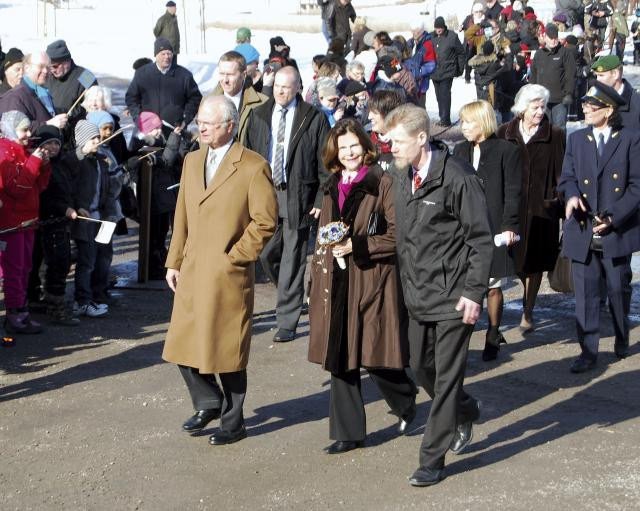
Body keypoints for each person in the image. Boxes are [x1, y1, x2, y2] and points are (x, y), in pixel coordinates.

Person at [386, 104, 493, 487]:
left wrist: (473, 292)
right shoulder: (401, 175)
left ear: (420, 138)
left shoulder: (458, 178)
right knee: (422, 368)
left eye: (396, 141)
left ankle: (432, 459)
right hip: (417, 295)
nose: (390, 147)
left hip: (453, 298)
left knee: (446, 378)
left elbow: (481, 240)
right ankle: (464, 410)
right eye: (388, 140)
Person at [162, 95, 277, 444]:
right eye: (200, 121)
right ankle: (208, 400)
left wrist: (236, 256)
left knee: (227, 351)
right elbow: (182, 214)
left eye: (210, 123)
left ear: (230, 126)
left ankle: (233, 421)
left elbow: (265, 221)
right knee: (181, 344)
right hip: (193, 268)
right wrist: (173, 260)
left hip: (228, 273)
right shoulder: (192, 160)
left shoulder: (252, 165)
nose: (202, 127)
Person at [308, 118, 417, 454]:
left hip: (372, 279)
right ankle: (349, 433)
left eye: (354, 145)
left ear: (366, 147)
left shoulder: (383, 182)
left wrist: (357, 245)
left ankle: (405, 399)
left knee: (374, 355)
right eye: (343, 148)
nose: (349, 152)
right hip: (336, 281)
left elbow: (397, 234)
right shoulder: (331, 185)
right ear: (334, 152)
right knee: (340, 354)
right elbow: (325, 235)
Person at [558, 81, 640, 372]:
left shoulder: (629, 138)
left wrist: (613, 217)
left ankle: (620, 334)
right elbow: (566, 177)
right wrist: (569, 196)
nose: (586, 111)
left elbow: (636, 186)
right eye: (585, 106)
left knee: (617, 288)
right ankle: (588, 351)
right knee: (586, 293)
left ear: (609, 110)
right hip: (582, 229)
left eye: (592, 107)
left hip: (616, 229)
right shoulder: (577, 139)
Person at [245, 67, 330, 343]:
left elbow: (326, 160)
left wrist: (320, 196)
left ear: (297, 88)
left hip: (298, 194)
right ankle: (290, 290)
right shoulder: (259, 116)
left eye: (287, 87)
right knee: (266, 253)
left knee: (293, 256)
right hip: (265, 193)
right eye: (277, 86)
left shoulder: (313, 118)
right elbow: (247, 156)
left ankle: (287, 320)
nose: (281, 92)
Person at [454, 100, 522, 361]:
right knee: (467, 285)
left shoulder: (506, 150)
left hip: (494, 227)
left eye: (468, 122)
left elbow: (513, 192)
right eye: (462, 122)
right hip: (465, 229)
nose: (463, 127)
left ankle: (493, 332)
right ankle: (463, 338)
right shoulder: (459, 151)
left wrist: (510, 227)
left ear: (482, 122)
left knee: (492, 285)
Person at [497, 84, 565, 332]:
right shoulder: (505, 132)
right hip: (511, 207)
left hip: (540, 209)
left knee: (535, 263)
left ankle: (528, 310)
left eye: (543, 106)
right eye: (535, 107)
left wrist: (557, 203)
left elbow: (561, 174)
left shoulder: (555, 134)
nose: (540, 111)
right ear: (522, 108)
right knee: (513, 261)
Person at [0, 111, 51, 334]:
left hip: (28, 220)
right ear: (11, 130)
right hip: (11, 223)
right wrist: (36, 161)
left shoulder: (22, 151)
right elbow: (17, 188)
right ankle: (15, 314)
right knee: (14, 270)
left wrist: (44, 166)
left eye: (28, 129)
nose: (28, 134)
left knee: (25, 269)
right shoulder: (5, 152)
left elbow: (38, 186)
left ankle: (22, 311)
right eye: (23, 130)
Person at [69, 120, 118, 317]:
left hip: (101, 216)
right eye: (93, 138)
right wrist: (77, 207)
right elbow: (68, 189)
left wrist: (111, 213)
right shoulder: (75, 161)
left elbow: (106, 190)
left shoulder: (99, 161)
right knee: (86, 261)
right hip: (85, 218)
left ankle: (96, 295)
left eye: (97, 137)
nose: (97, 141)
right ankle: (82, 301)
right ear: (82, 140)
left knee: (102, 257)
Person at [36, 125, 80, 326]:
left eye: (56, 143)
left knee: (61, 262)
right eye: (48, 143)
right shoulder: (42, 167)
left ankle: (53, 301)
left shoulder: (62, 164)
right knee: (56, 263)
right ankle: (55, 306)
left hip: (62, 220)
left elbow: (68, 191)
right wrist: (65, 209)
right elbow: (46, 197)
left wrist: (77, 207)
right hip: (49, 220)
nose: (53, 147)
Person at [125, 38, 201, 128]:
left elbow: (195, 98)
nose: (166, 57)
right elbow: (131, 98)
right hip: (149, 129)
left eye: (169, 53)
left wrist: (185, 119)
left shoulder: (184, 75)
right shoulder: (143, 74)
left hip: (175, 129)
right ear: (156, 55)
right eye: (163, 54)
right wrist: (139, 119)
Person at [0, 52, 68, 132]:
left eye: (48, 67)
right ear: (27, 68)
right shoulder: (14, 97)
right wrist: (48, 124)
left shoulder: (43, 92)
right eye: (41, 66)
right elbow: (15, 130)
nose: (45, 71)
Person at [211, 51, 268, 145]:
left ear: (244, 75)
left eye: (230, 74)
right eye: (222, 74)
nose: (225, 80)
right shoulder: (207, 102)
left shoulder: (260, 104)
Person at [529, 23, 576, 129]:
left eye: (555, 38)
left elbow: (570, 74)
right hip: (542, 100)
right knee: (543, 128)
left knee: (559, 128)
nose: (554, 40)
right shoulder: (539, 54)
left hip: (559, 99)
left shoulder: (565, 53)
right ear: (545, 37)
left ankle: (560, 146)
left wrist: (569, 93)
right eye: (551, 38)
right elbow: (533, 75)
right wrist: (531, 94)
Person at [45, 39, 97, 117]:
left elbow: (94, 106)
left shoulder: (86, 76)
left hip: (75, 125)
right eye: (49, 67)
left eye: (55, 66)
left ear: (66, 61)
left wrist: (67, 114)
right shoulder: (47, 76)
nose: (52, 70)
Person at [431, 17, 465, 127]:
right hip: (434, 72)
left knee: (445, 95)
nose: (438, 30)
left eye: (440, 28)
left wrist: (460, 69)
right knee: (438, 96)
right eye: (436, 28)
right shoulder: (431, 37)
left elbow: (461, 53)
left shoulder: (452, 36)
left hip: (448, 71)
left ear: (444, 27)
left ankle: (446, 120)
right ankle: (442, 117)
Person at [592, 55, 640, 132]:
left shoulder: (636, 102)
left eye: (601, 75)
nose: (597, 80)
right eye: (596, 76)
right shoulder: (594, 100)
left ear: (615, 74)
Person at [368, 89, 405, 171]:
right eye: (370, 111)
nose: (369, 117)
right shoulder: (367, 142)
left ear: (389, 115)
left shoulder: (407, 145)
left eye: (375, 113)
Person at [406, 20, 437, 106]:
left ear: (421, 31)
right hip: (408, 83)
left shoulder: (427, 44)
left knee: (420, 109)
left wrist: (417, 72)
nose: (414, 33)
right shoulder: (409, 43)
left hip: (420, 84)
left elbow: (431, 65)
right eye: (412, 30)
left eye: (416, 31)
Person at [154, 1, 180, 65]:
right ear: (169, 8)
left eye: (175, 7)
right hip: (167, 49)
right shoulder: (163, 19)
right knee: (167, 67)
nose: (175, 9)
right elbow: (156, 32)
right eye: (174, 7)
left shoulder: (174, 18)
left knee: (173, 66)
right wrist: (163, 43)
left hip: (174, 48)